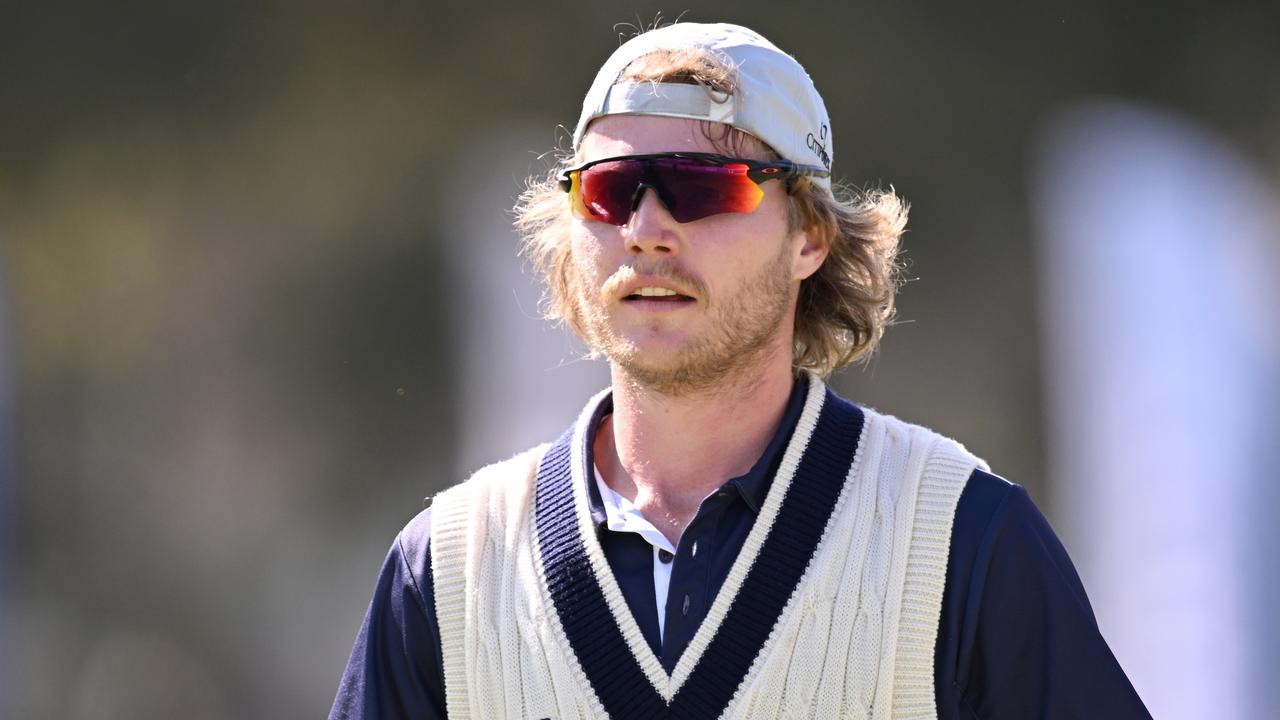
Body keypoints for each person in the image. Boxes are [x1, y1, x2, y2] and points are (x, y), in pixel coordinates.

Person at [330, 22, 1151, 719]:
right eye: (610, 192)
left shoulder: (961, 539)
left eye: (702, 185)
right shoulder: (445, 567)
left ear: (810, 237)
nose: (647, 229)